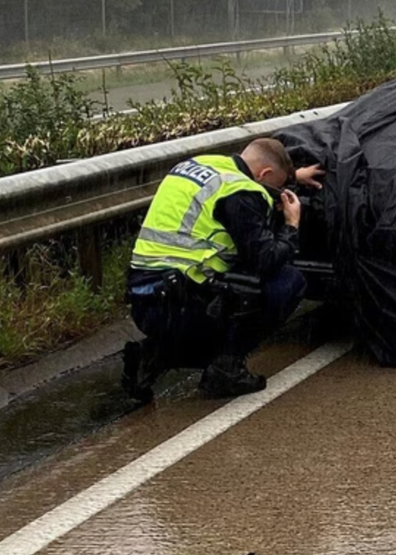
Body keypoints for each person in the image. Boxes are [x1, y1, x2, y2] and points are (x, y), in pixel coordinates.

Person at [121, 138, 324, 402]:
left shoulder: (200, 164)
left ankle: (155, 356)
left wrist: (294, 176)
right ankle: (226, 369)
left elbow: (249, 173)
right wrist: (291, 226)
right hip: (179, 307)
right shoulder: (242, 193)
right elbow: (266, 259)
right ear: (264, 175)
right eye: (277, 187)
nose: (276, 194)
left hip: (145, 296)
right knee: (287, 282)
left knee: (226, 282)